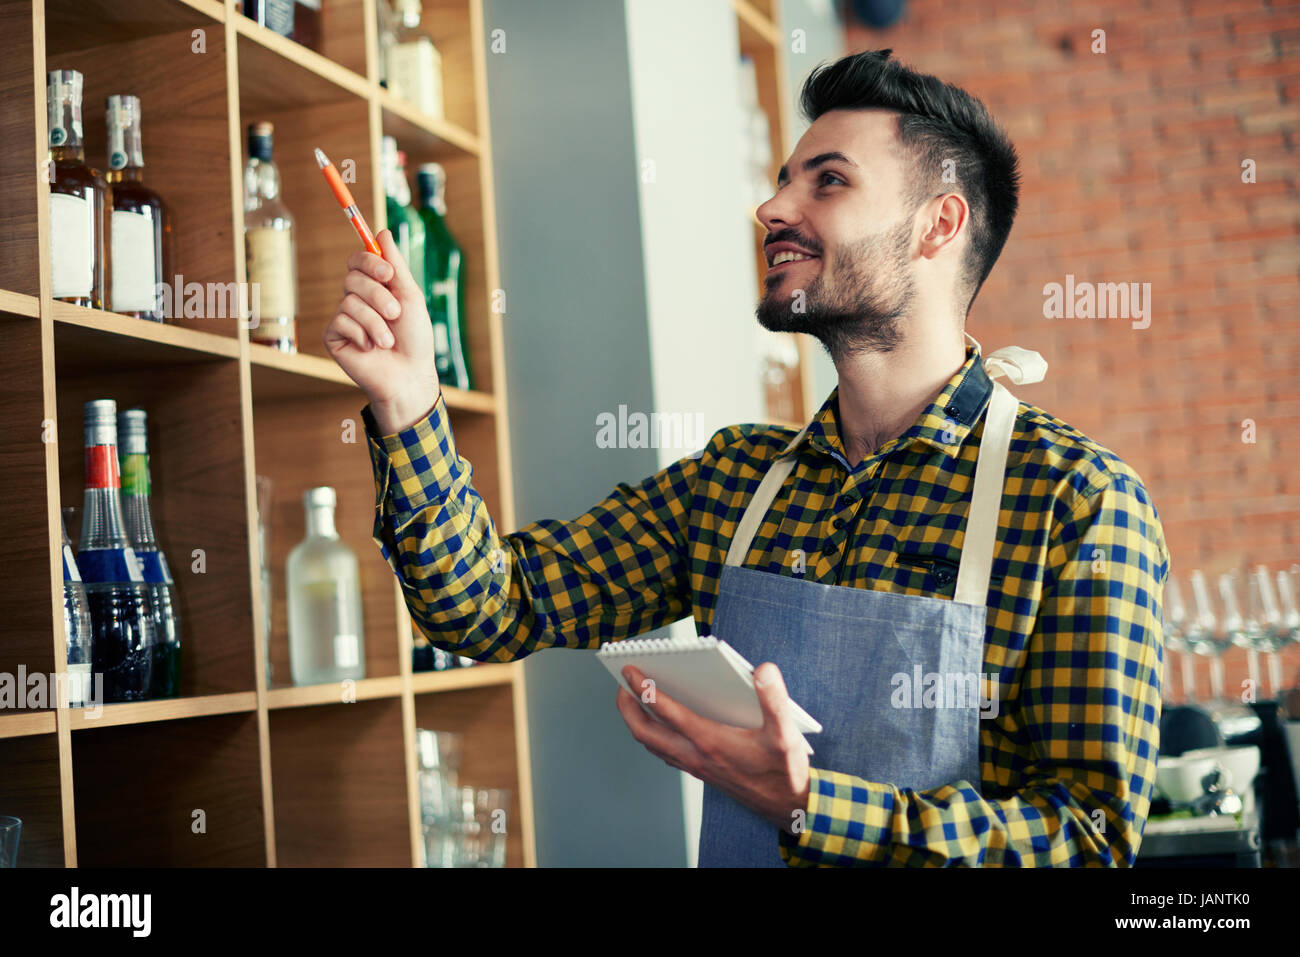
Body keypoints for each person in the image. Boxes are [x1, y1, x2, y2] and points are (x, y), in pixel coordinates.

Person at [323, 49, 1168, 867]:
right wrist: (408, 403)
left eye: (827, 180)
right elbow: (490, 604)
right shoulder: (736, 482)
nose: (771, 209)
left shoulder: (1077, 501)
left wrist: (809, 807)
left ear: (938, 224)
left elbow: (1088, 841)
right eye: (780, 182)